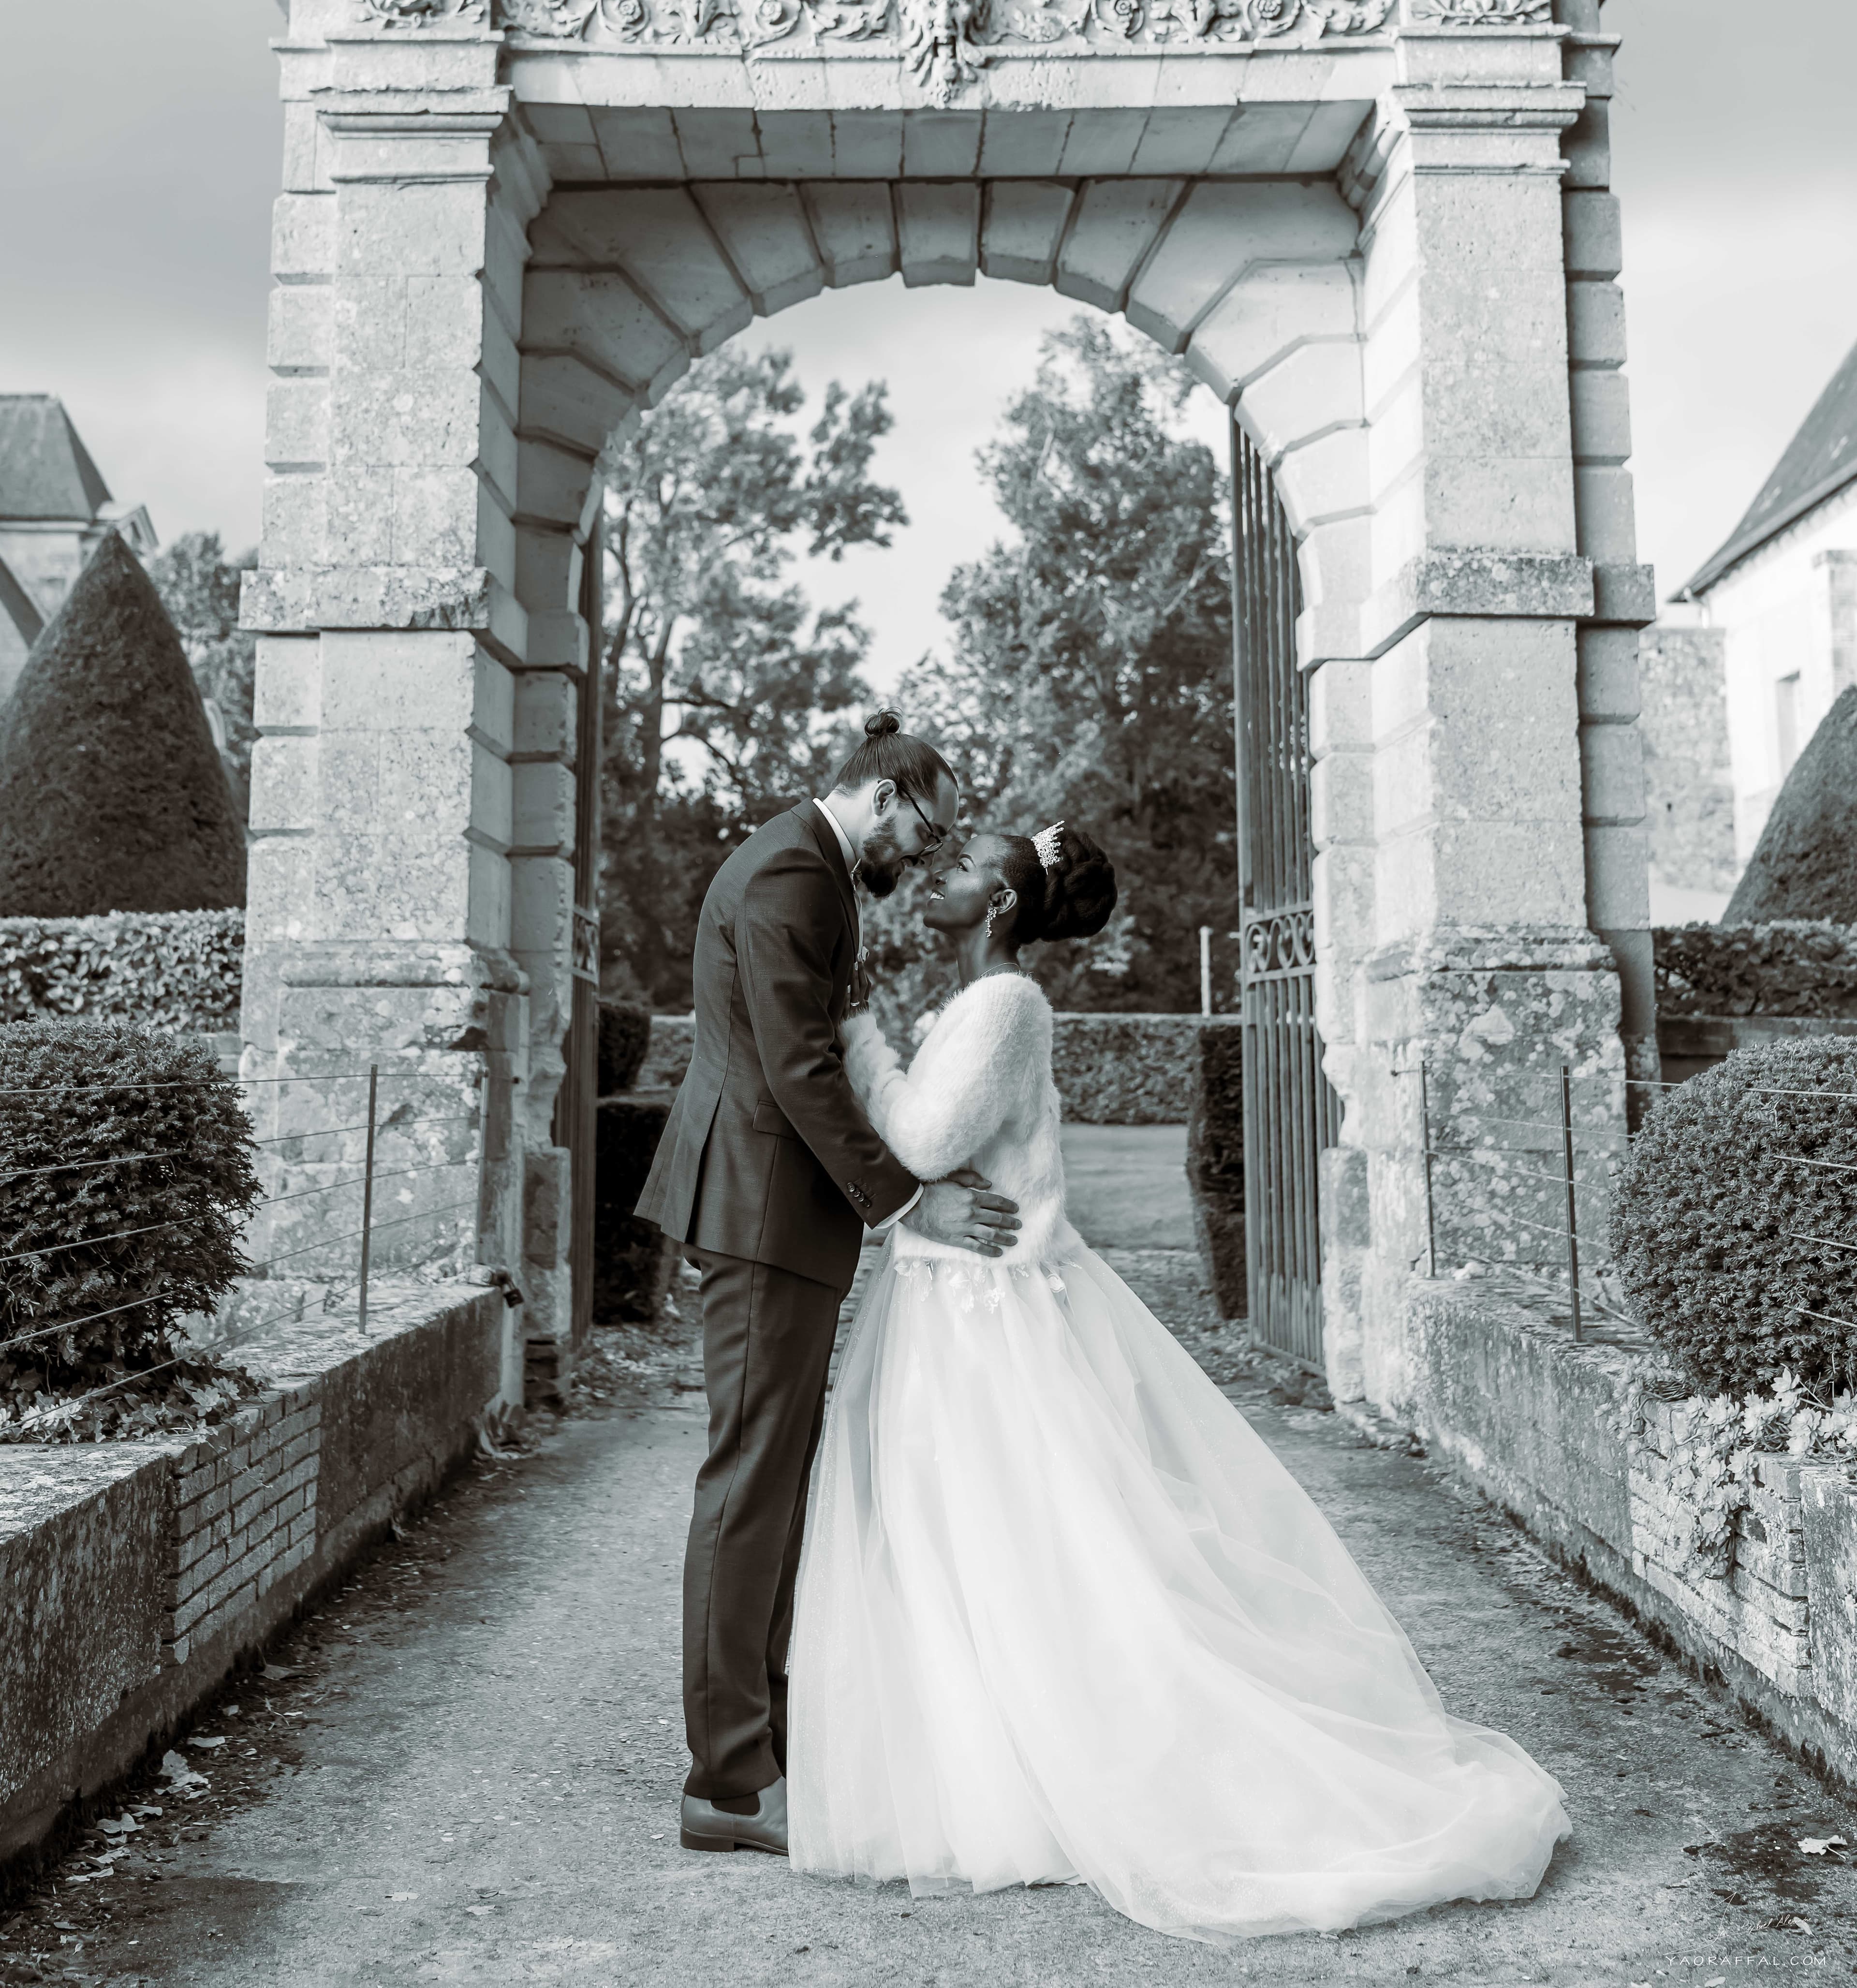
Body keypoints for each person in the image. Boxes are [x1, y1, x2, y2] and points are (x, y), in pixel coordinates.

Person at [785, 818, 1570, 1942]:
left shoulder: (1004, 1004)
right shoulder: (978, 1003)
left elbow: (916, 1137)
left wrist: (855, 1027)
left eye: (962, 867)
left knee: (1021, 1545)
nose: (940, 873)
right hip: (949, 1299)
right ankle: (992, 1771)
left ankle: (1068, 1769)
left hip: (981, 1320)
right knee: (967, 1545)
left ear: (999, 904)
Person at [634, 713, 1023, 1859]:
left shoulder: (815, 868)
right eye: (930, 822)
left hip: (778, 1213)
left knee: (773, 1475)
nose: (928, 849)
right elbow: (797, 1067)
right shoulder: (790, 871)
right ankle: (724, 1778)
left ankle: (764, 1734)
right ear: (891, 794)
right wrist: (909, 1199)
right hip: (759, 1210)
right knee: (749, 1478)